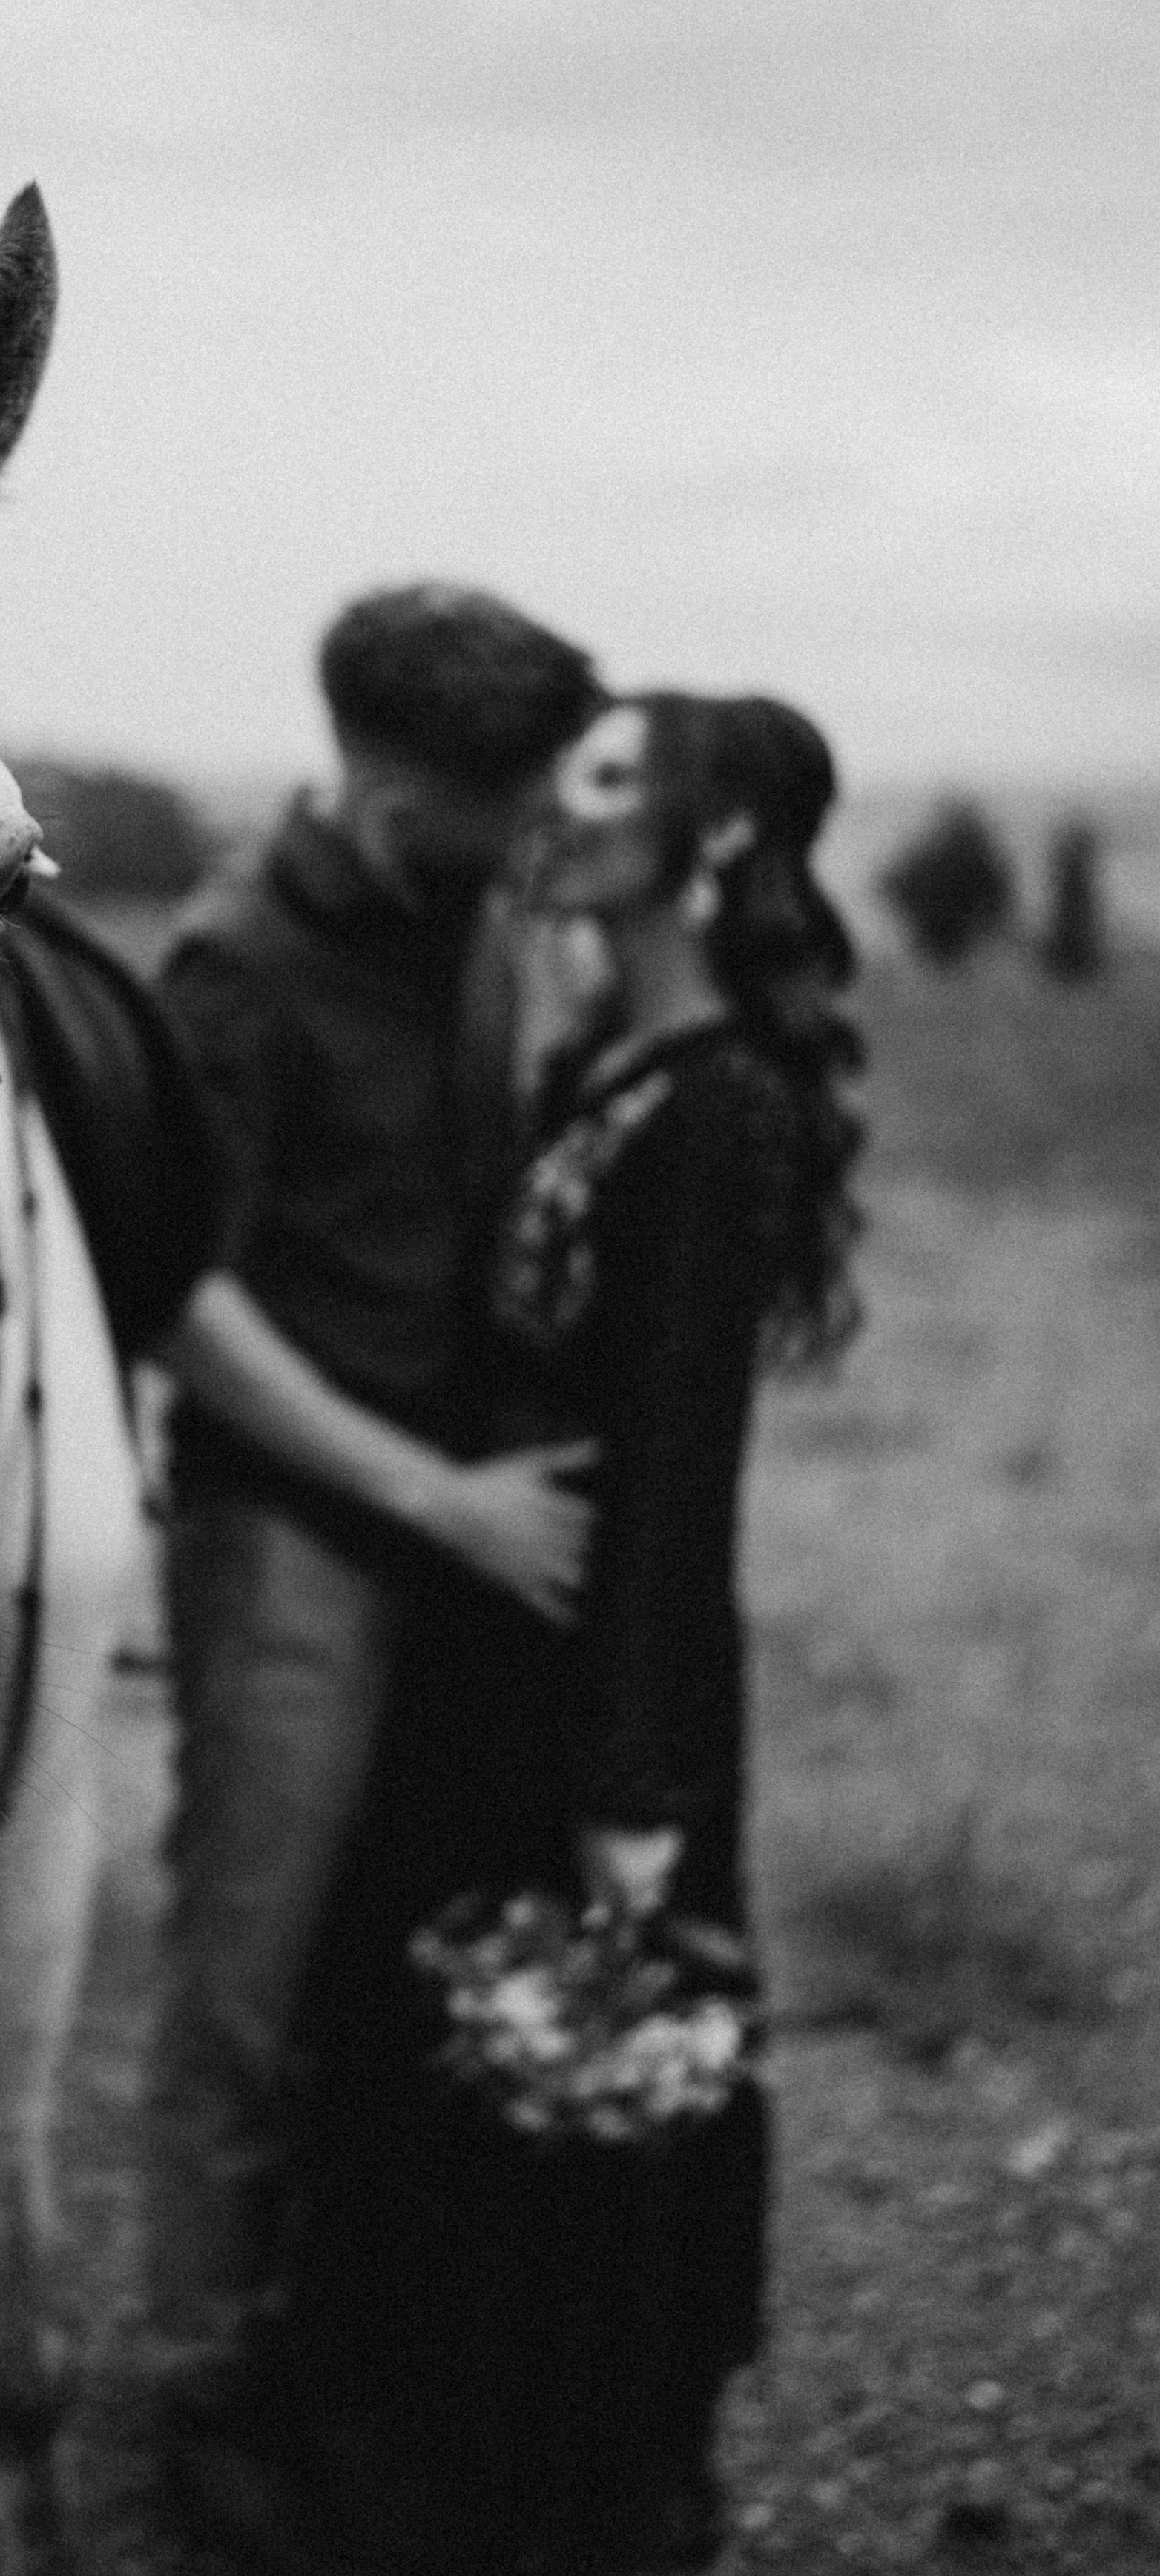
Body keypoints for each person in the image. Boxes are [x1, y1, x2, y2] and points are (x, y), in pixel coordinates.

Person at [284, 690, 865, 2574]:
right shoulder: (611, 1067)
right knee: (462, 2052)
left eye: (611, 780)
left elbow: (677, 1479)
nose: (565, 803)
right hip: (495, 1655)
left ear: (710, 848)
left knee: (594, 2075)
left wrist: (633, 1783)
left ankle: (591, 2494)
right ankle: (455, 2466)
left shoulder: (713, 1113)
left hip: (603, 1681)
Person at [148, 584, 609, 2541]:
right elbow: (180, 1296)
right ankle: (188, 2396)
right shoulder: (235, 963)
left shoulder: (477, 921)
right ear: (407, 787)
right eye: (519, 803)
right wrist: (435, 1500)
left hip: (449, 1524)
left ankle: (340, 2353)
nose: (544, 833)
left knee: (370, 1969)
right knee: (241, 1982)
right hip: (301, 1542)